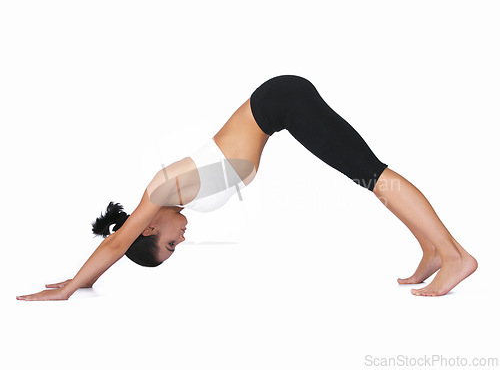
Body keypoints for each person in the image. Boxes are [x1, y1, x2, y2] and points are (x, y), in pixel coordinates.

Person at [16, 75, 477, 300]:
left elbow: (117, 242)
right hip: (280, 108)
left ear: (147, 229)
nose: (182, 240)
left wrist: (71, 285)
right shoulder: (171, 198)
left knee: (372, 176)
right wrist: (85, 283)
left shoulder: (160, 192)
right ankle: (433, 250)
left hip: (283, 102)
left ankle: (455, 257)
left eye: (170, 246)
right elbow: (119, 243)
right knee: (367, 177)